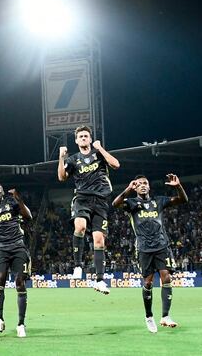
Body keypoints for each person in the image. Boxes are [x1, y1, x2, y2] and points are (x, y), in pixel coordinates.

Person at [113, 174, 188, 333]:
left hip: (161, 245)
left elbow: (183, 200)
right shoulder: (132, 203)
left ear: (149, 186)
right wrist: (128, 188)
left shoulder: (159, 201)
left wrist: (178, 187)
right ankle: (149, 316)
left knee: (166, 277)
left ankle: (165, 316)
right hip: (144, 248)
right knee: (148, 283)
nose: (142, 185)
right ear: (135, 187)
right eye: (139, 184)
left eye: (145, 183)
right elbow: (115, 203)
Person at [57, 125, 120, 293]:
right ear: (76, 141)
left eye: (86, 136)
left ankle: (99, 280)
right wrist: (61, 158)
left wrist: (100, 148)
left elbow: (116, 165)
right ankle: (77, 267)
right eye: (81, 136)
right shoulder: (73, 159)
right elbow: (62, 178)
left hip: (100, 201)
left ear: (90, 139)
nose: (84, 138)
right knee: (80, 227)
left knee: (99, 240)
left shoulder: (99, 153)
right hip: (82, 199)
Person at [0, 181, 32, 338]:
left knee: (19, 282)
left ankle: (21, 324)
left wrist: (19, 200)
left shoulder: (12, 203)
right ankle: (0, 319)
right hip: (0, 248)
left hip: (17, 246)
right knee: (0, 278)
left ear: (2, 192)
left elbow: (28, 216)